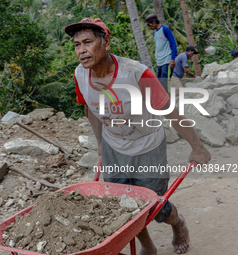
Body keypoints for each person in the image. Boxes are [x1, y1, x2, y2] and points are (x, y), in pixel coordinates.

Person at [65, 17, 211, 255]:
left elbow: (168, 110)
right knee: (121, 205)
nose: (81, 51)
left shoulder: (135, 73)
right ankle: (147, 245)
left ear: (106, 42)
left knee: (154, 206)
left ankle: (178, 222)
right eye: (77, 45)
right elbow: (89, 110)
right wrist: (101, 144)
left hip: (147, 146)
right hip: (114, 145)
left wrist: (197, 146)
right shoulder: (80, 74)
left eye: (88, 42)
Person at [145, 14, 178, 93]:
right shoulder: (154, 33)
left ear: (154, 22)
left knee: (164, 82)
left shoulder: (165, 29)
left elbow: (173, 44)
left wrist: (173, 59)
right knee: (159, 82)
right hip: (159, 61)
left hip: (166, 60)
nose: (149, 27)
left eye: (149, 25)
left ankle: (168, 100)